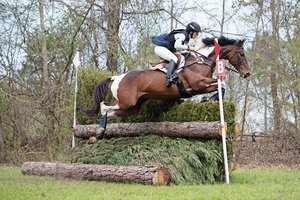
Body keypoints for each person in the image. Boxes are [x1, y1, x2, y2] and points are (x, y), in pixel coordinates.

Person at [152, 22, 201, 87]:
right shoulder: (183, 35)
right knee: (174, 58)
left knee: (179, 57)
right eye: (196, 33)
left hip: (165, 48)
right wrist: (188, 48)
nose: (197, 35)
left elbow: (179, 50)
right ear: (191, 32)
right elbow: (177, 46)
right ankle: (168, 79)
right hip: (160, 48)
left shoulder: (186, 37)